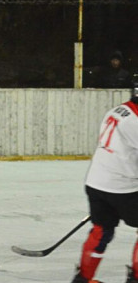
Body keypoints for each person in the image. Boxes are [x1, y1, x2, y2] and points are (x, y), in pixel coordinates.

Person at [70, 82, 138, 283]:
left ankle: (83, 278)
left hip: (97, 183)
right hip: (124, 188)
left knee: (101, 230)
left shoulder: (119, 110)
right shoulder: (135, 122)